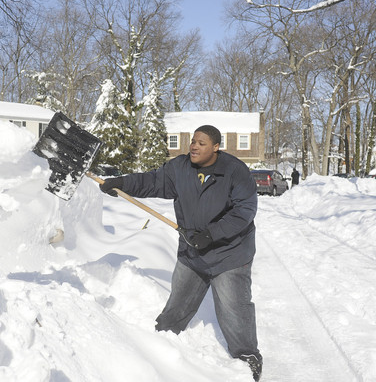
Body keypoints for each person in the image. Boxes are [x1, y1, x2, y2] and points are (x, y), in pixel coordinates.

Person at [100, 125, 262, 381]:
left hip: (229, 254)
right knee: (177, 304)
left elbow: (244, 211)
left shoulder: (235, 171)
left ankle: (247, 355)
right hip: (193, 251)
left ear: (216, 147)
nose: (194, 146)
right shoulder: (180, 168)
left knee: (234, 309)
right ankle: (161, 344)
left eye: (201, 143)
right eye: (192, 141)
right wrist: (121, 183)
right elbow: (151, 181)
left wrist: (211, 234)